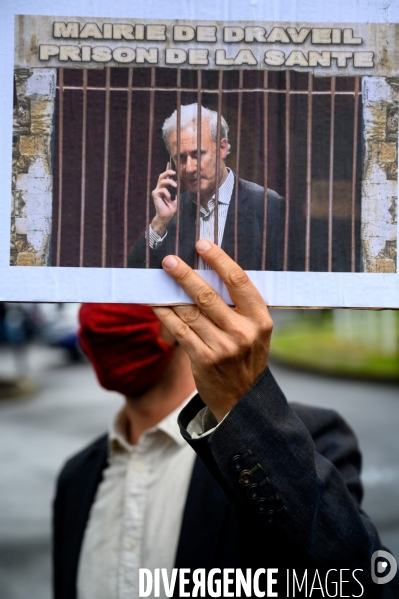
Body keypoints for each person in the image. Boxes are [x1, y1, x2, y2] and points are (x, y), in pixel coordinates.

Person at [53, 242, 399, 599]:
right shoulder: (77, 476)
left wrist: (241, 402)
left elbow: (357, 585)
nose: (100, 310)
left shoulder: (309, 441)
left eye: (131, 284)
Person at [127, 104, 285, 271]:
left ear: (222, 148)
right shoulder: (172, 212)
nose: (189, 168)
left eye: (198, 154)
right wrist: (159, 224)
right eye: (180, 158)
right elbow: (133, 276)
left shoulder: (268, 205)